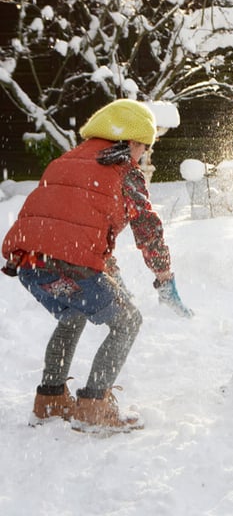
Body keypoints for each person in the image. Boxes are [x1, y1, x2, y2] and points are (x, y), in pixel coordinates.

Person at [2, 99, 194, 432]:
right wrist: (163, 274)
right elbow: (147, 227)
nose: (142, 156)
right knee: (128, 321)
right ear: (131, 142)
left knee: (73, 314)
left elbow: (71, 223)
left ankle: (50, 399)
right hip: (69, 262)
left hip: (30, 263)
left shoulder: (68, 160)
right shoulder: (123, 169)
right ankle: (94, 404)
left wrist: (106, 269)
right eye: (143, 149)